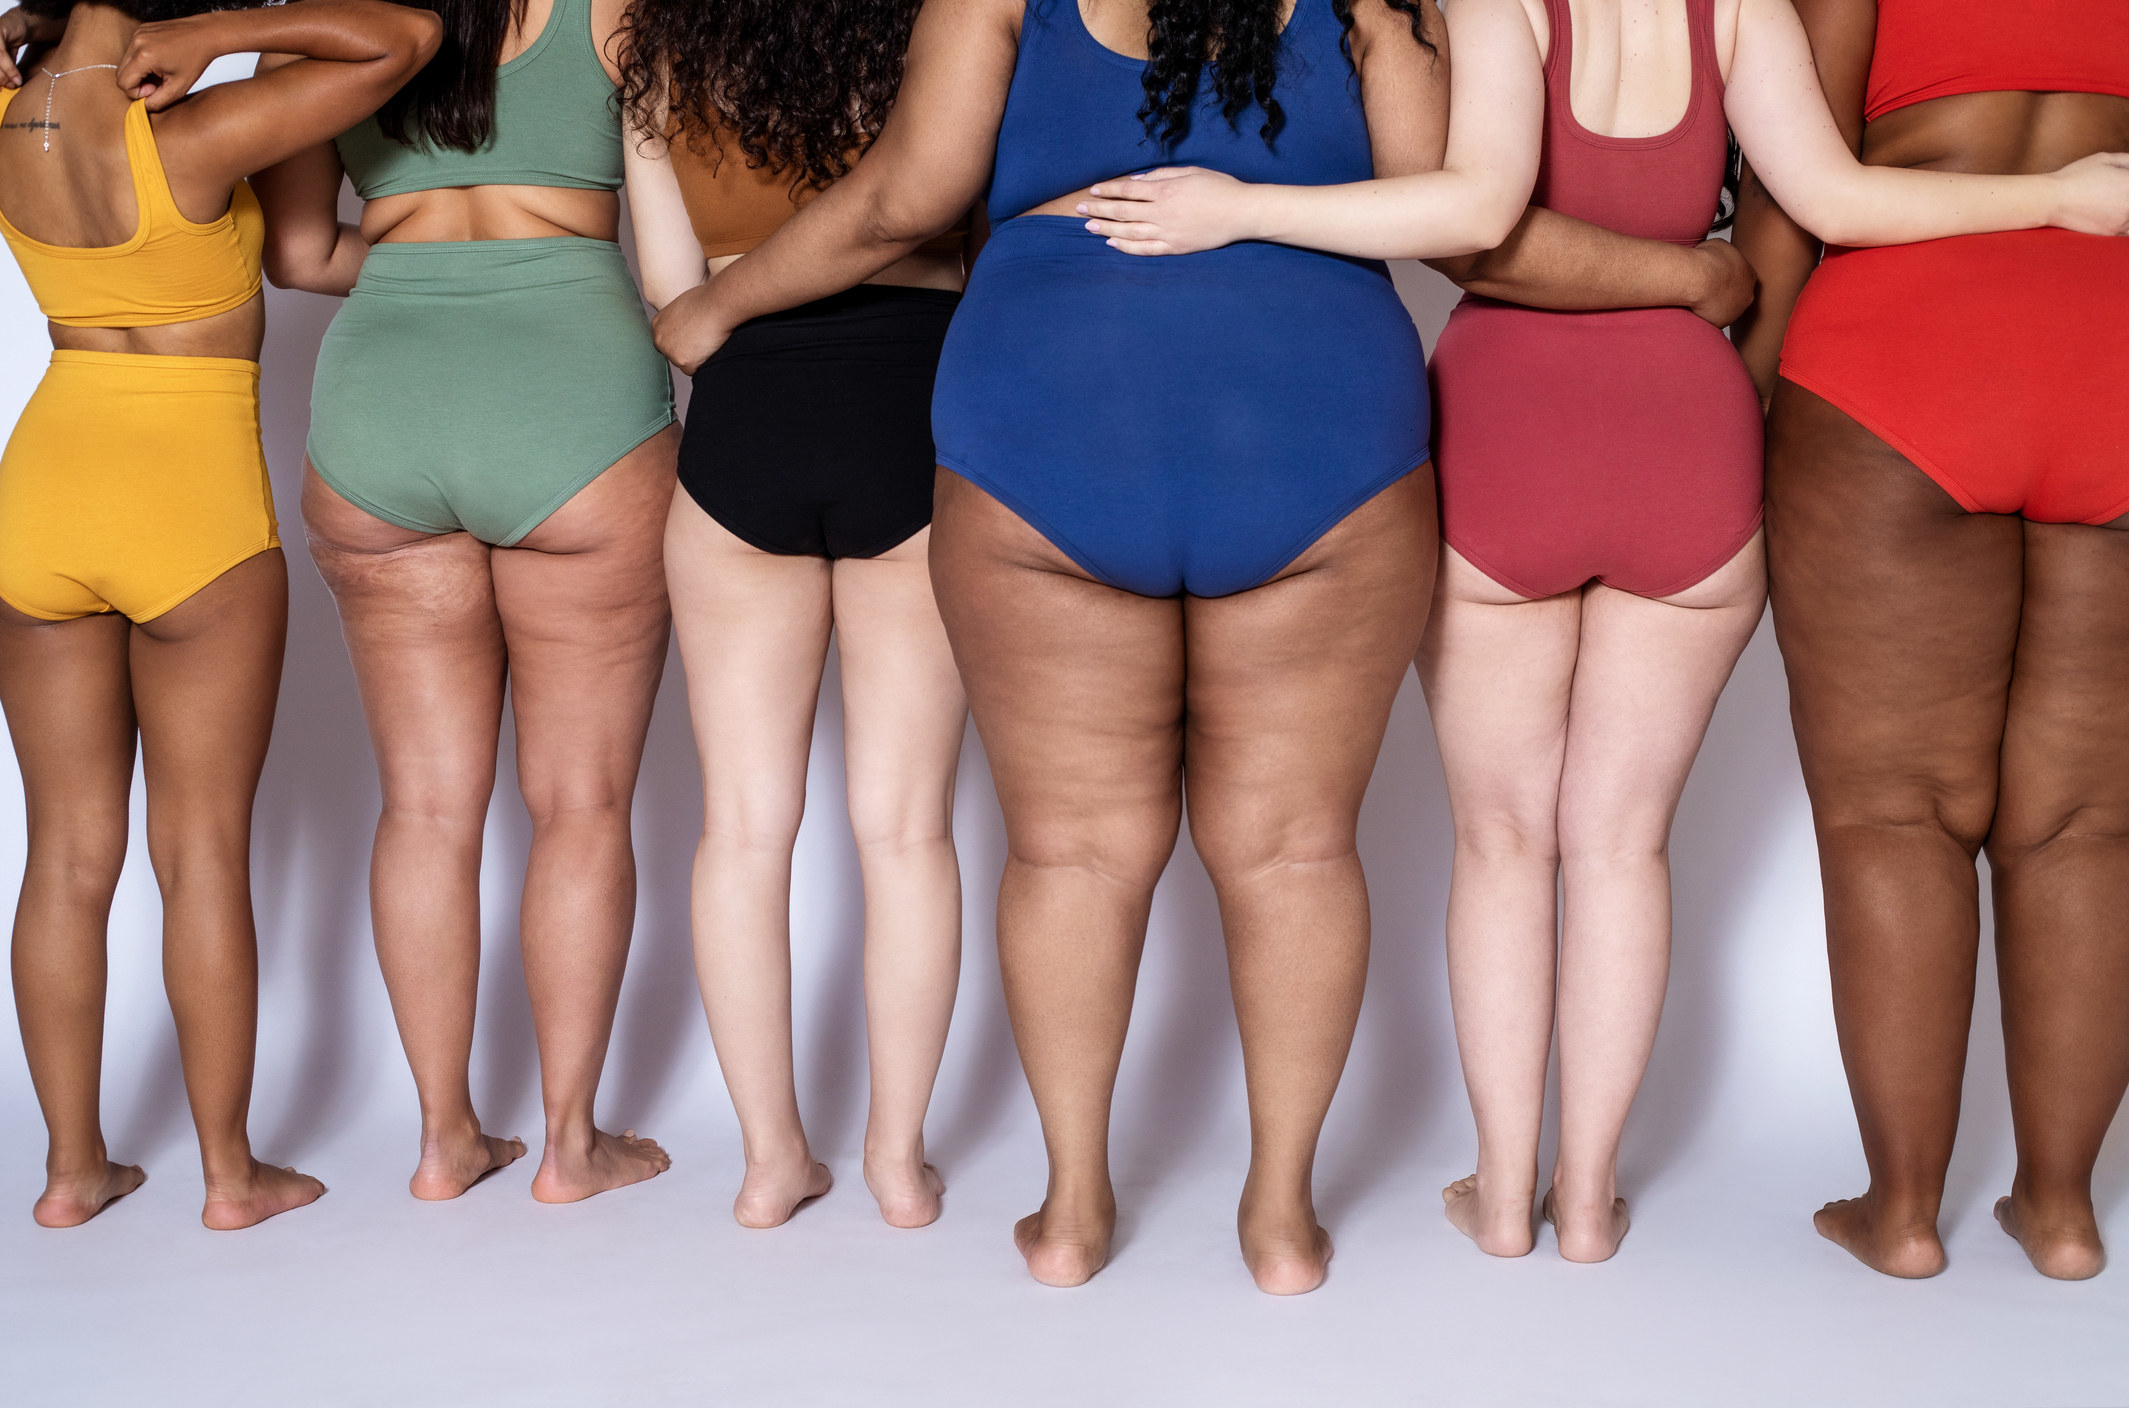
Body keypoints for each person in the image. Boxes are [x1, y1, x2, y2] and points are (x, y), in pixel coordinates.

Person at [1073, 0, 2129, 1264]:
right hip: (1687, 430)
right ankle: (1589, 1205)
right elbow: (1834, 199)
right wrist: (2057, 197)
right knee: (1626, 846)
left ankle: (1504, 1193)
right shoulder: (1735, 8)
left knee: (1504, 842)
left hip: (1512, 424)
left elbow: (1477, 216)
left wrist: (1238, 207)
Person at [655, 0, 1451, 1294]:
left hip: (1051, 417)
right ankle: (1284, 1223)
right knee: (1296, 847)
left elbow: (901, 201)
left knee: (1071, 851)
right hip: (1316, 421)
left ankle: (1074, 1211)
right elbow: (1451, 207)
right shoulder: (1372, 5)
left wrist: (717, 306)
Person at [0, 0, 437, 1228]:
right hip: (183, 499)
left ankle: (70, 1173)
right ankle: (231, 1176)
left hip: (40, 489)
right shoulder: (193, 132)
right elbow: (403, 39)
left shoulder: (8, 119)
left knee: (65, 855)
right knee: (201, 858)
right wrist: (231, 28)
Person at [250, 0, 679, 1204]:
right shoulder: (615, 15)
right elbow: (672, 236)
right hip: (573, 386)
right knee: (582, 803)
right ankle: (568, 1146)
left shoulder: (315, 31)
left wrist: (416, 257)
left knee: (426, 809)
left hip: (383, 392)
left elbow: (297, 255)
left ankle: (442, 1141)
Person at [1731, 0, 2129, 1280]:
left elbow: (1793, 190)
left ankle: (1899, 1212)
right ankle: (2060, 1213)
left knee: (1889, 816)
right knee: (2090, 825)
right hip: (2110, 347)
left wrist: (1748, 401)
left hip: (1897, 358)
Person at [615, 0, 971, 1231]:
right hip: (913, 418)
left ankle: (771, 1162)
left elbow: (673, 293)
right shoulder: (934, 30)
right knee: (907, 830)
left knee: (743, 829)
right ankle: (897, 1162)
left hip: (743, 423)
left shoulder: (665, 49)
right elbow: (958, 217)